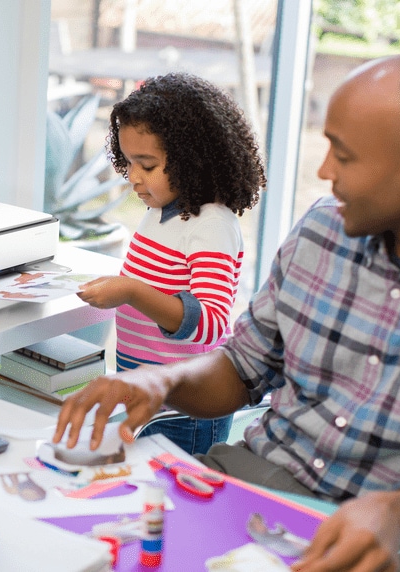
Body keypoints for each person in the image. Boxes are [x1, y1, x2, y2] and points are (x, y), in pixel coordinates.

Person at [54, 50, 400, 572]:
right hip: (252, 481)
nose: (325, 172)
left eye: (344, 157)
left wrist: (395, 515)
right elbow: (242, 365)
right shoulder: (322, 231)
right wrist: (160, 384)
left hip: (385, 536)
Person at [76, 73, 265, 455]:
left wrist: (130, 290)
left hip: (185, 412)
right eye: (128, 162)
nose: (133, 177)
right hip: (149, 398)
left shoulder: (212, 225)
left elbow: (211, 323)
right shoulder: (159, 211)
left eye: (147, 165)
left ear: (193, 161)